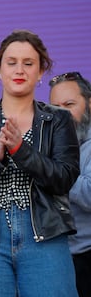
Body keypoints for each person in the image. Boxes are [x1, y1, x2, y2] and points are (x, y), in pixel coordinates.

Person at [0, 30, 80, 296]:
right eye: (11, 62)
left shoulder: (58, 120)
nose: (19, 69)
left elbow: (64, 178)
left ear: (41, 71)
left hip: (45, 234)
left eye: (28, 63)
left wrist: (22, 151)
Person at [49, 71, 91, 297]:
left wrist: (54, 169)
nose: (61, 113)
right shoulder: (47, 145)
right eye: (56, 107)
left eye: (69, 104)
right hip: (54, 257)